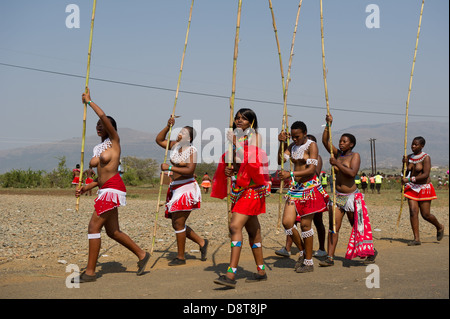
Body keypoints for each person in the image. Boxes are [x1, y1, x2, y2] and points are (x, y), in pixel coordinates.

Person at [73, 88, 149, 283]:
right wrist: (86, 187)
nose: (99, 126)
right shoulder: (98, 148)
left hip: (113, 189)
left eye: (102, 124)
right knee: (112, 231)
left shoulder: (115, 142)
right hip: (104, 188)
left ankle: (90, 272)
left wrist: (90, 102)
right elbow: (100, 178)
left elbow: (103, 117)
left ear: (110, 128)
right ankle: (141, 254)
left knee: (93, 228)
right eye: (97, 125)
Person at [212, 108, 269, 288]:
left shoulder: (256, 137)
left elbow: (252, 161)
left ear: (251, 122)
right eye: (237, 118)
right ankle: (261, 270)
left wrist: (235, 142)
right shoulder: (234, 140)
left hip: (252, 190)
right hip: (239, 189)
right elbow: (237, 164)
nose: (239, 121)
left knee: (235, 226)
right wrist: (230, 170)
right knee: (253, 231)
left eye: (243, 119)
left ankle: (230, 274)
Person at [319, 114, 376, 267]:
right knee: (333, 227)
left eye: (344, 142)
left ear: (351, 144)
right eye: (340, 141)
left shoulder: (354, 156)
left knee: (356, 226)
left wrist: (336, 163)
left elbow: (352, 173)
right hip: (337, 197)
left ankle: (371, 250)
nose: (341, 143)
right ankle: (330, 257)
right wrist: (328, 124)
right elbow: (325, 141)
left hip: (351, 197)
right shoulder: (337, 154)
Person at [277, 122, 329, 273]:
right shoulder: (291, 146)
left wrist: (290, 174)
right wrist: (281, 143)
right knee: (287, 223)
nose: (295, 139)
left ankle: (308, 262)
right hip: (295, 189)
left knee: (306, 226)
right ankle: (303, 252)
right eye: (292, 137)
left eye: (297, 136)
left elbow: (312, 170)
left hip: (309, 188)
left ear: (305, 133)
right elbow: (280, 160)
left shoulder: (311, 146)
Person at [156, 117, 208, 266]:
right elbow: (159, 140)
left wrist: (170, 168)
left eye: (184, 133)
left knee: (178, 224)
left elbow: (190, 170)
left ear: (189, 138)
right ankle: (201, 242)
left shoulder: (192, 150)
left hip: (186, 187)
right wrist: (167, 126)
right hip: (175, 187)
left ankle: (181, 257)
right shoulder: (173, 146)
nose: (180, 134)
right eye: (180, 131)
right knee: (177, 223)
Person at [401, 136, 444, 246]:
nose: (413, 146)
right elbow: (405, 174)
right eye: (412, 144)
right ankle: (416, 239)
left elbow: (425, 175)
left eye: (416, 144)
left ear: (422, 146)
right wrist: (404, 164)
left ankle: (439, 226)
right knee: (413, 211)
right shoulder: (409, 157)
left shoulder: (426, 157)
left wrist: (409, 179)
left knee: (425, 214)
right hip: (412, 188)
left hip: (424, 187)